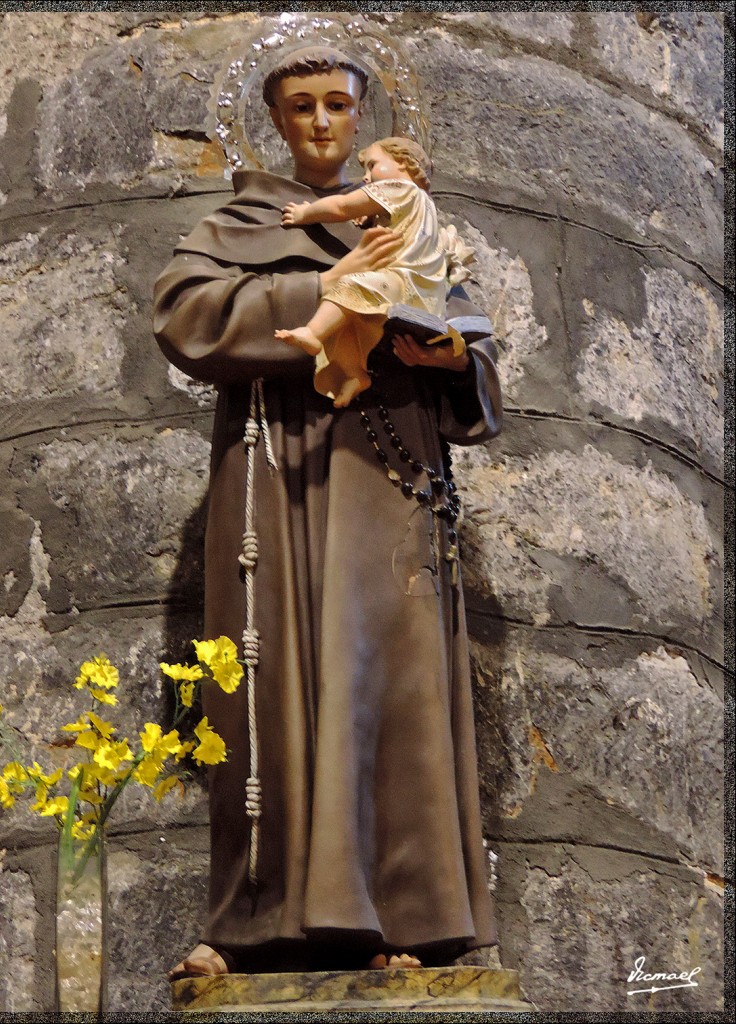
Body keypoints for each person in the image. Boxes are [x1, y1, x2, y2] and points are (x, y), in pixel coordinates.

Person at [153, 45, 503, 981]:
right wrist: (344, 294)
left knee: (401, 690)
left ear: (361, 117)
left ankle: (412, 915)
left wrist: (449, 358)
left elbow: (478, 362)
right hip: (287, 483)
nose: (319, 123)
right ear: (274, 120)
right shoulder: (240, 222)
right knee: (276, 687)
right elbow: (187, 318)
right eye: (300, 106)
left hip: (392, 483)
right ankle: (257, 919)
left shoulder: (408, 219)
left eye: (338, 106)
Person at [276, 136, 454, 408]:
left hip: (401, 281)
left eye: (373, 166)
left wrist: (306, 212)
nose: (367, 177)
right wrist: (372, 214)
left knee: (349, 286)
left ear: (404, 164)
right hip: (427, 297)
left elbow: (342, 207)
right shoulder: (424, 204)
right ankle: (354, 375)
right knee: (349, 319)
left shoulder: (400, 189)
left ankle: (312, 332)